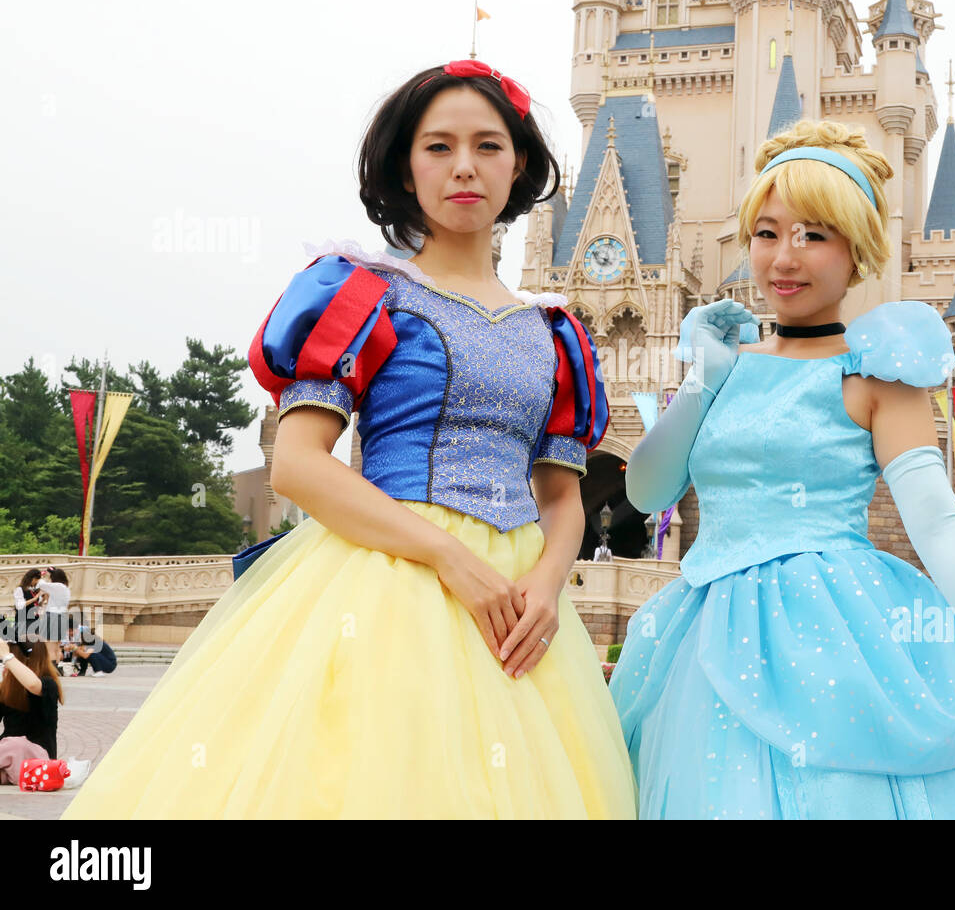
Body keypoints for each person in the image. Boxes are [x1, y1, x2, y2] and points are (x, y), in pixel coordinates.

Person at [64, 60, 636, 818]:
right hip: (389, 584)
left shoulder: (556, 333)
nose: (464, 167)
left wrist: (549, 581)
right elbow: (298, 466)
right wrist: (448, 557)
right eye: (438, 147)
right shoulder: (368, 293)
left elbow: (562, 495)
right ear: (407, 164)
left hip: (519, 609)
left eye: (487, 146)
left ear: (519, 162)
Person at [609, 120, 955, 819]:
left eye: (814, 234)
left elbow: (940, 522)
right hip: (702, 637)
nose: (784, 257)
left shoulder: (877, 373)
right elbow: (647, 489)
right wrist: (702, 382)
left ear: (857, 254)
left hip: (826, 634)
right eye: (766, 233)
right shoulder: (727, 369)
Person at [0, 640, 64, 782]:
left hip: (39, 760)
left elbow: (32, 684)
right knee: (10, 745)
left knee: (16, 745)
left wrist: (6, 655)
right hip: (11, 761)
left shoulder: (48, 684)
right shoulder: (6, 689)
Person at [34, 567, 72, 644]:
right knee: (56, 642)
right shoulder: (65, 588)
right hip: (61, 616)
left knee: (45, 641)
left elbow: (40, 585)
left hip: (53, 616)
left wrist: (41, 576)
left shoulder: (58, 586)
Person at [12, 569, 43, 638]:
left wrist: (44, 598)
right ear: (32, 579)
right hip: (23, 621)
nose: (36, 582)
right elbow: (19, 606)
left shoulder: (34, 590)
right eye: (36, 580)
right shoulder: (20, 589)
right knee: (24, 644)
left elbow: (38, 604)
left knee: (37, 644)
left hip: (35, 620)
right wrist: (34, 599)